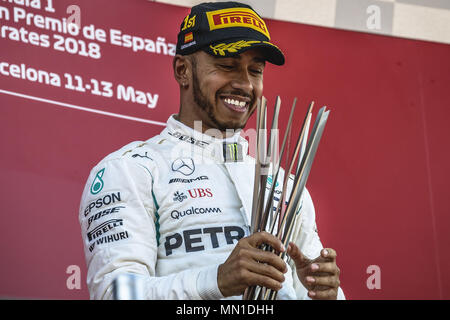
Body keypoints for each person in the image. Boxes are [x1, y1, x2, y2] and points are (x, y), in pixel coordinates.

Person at [79, 1, 344, 300]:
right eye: (227, 66)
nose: (244, 84)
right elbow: (114, 294)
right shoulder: (130, 169)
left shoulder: (286, 186)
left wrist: (327, 295)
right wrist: (216, 280)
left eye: (255, 70)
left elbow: (312, 289)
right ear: (183, 70)